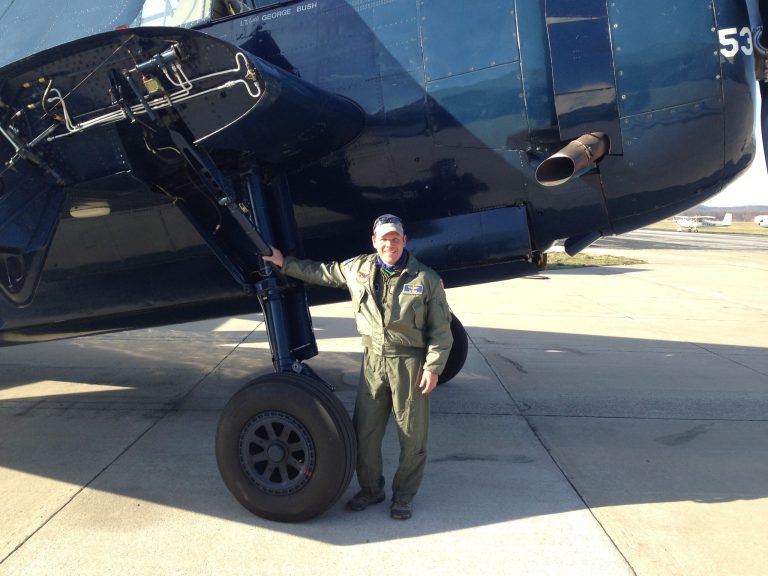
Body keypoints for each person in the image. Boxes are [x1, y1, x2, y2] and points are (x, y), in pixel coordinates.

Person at [262, 214, 453, 520]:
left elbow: (441, 330)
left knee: (412, 436)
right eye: (383, 238)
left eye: (394, 238)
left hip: (409, 362)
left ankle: (403, 496)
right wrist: (285, 263)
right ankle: (371, 490)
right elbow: (322, 273)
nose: (389, 244)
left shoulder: (425, 279)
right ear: (373, 241)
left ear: (404, 241)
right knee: (364, 432)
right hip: (373, 360)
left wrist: (433, 367)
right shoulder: (358, 269)